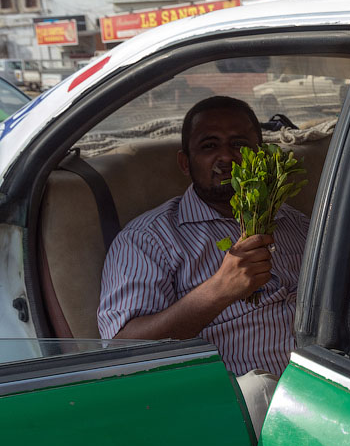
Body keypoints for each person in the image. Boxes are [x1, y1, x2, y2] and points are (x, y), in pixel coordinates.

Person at [98, 96, 310, 378]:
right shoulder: (148, 239)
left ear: (261, 155)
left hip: (321, 384)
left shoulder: (297, 223)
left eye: (239, 145)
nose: (226, 157)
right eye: (209, 146)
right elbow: (122, 349)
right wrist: (220, 290)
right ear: (185, 163)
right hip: (235, 397)